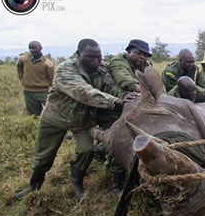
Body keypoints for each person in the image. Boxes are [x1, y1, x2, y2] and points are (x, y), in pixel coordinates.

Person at [12, 39, 136, 202]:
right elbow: (83, 92)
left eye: (99, 57)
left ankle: (77, 182)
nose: (96, 61)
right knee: (44, 156)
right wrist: (115, 101)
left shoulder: (101, 68)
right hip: (55, 119)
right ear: (79, 54)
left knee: (86, 151)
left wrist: (125, 96)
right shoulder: (66, 69)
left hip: (82, 121)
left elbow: (111, 86)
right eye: (91, 57)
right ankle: (34, 185)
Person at [102, 39, 152, 197]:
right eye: (138, 53)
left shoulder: (145, 66)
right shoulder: (119, 62)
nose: (141, 57)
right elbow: (125, 80)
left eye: (145, 55)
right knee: (119, 140)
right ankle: (117, 182)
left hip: (136, 106)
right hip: (113, 106)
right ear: (129, 51)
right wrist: (145, 90)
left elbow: (153, 81)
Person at [16, 40, 55, 116]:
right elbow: (19, 68)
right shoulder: (24, 59)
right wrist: (22, 79)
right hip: (28, 91)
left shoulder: (48, 64)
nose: (31, 50)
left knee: (51, 112)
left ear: (40, 48)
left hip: (43, 91)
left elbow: (52, 78)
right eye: (30, 48)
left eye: (34, 48)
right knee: (33, 114)